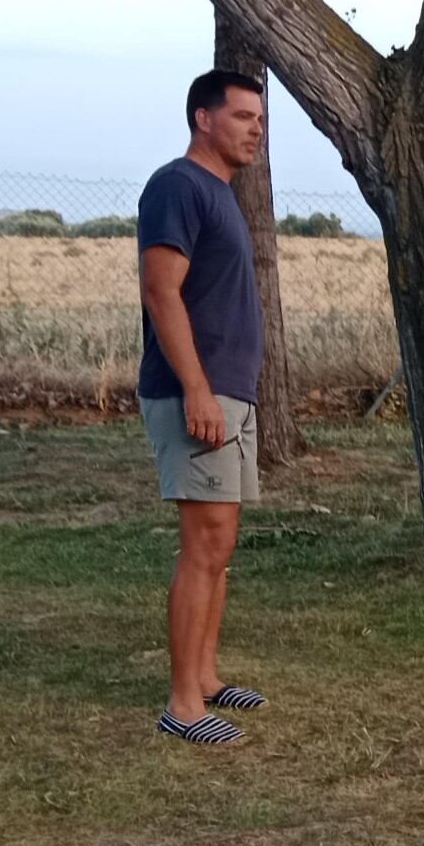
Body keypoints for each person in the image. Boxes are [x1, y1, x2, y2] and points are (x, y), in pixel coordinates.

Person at [137, 69, 269, 744]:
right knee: (204, 543)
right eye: (243, 116)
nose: (256, 128)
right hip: (197, 390)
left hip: (228, 391)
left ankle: (208, 676)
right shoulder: (179, 186)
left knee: (221, 545)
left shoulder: (219, 195)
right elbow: (162, 291)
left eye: (259, 118)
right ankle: (183, 705)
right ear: (202, 118)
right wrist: (194, 387)